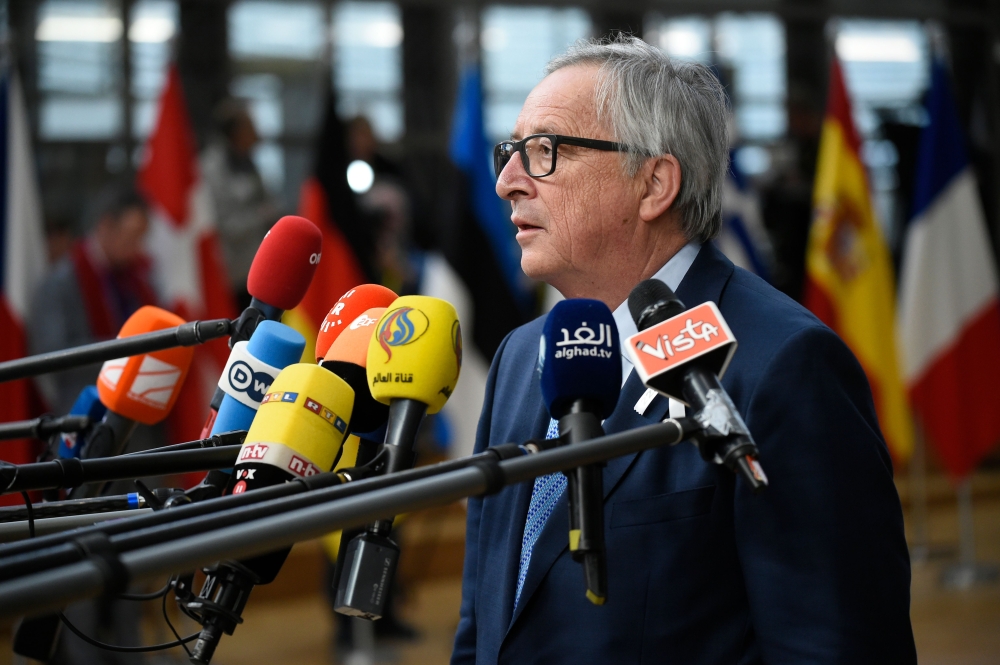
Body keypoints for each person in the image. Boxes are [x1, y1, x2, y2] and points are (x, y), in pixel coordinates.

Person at [452, 37, 915, 664]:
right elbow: (485, 623)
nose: (508, 181)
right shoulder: (522, 354)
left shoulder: (784, 367)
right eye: (511, 152)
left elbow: (833, 644)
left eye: (545, 152)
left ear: (654, 183)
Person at [28, 183, 158, 415]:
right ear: (106, 226)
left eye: (141, 238)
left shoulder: (138, 277)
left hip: (132, 415)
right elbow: (51, 355)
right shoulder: (59, 283)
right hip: (82, 413)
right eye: (131, 237)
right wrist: (125, 351)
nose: (137, 248)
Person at [201, 98, 279, 309]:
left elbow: (268, 202)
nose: (257, 134)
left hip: (258, 268)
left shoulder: (249, 163)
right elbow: (222, 223)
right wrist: (262, 215)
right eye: (251, 127)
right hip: (230, 273)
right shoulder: (213, 168)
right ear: (235, 132)